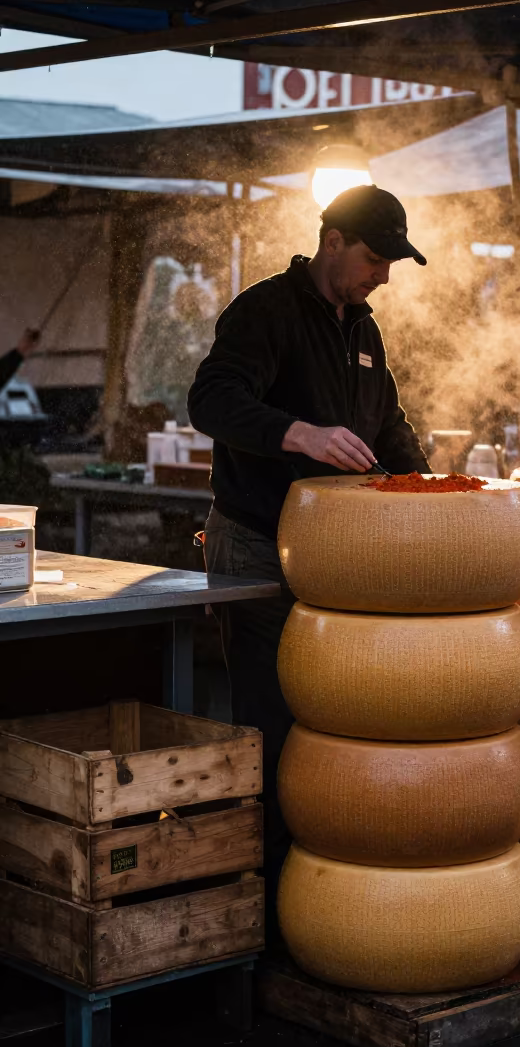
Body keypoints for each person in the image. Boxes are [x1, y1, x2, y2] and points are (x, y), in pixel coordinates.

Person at [187, 185, 429, 935]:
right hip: (257, 543)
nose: (383, 275)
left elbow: (387, 426)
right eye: (373, 258)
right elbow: (210, 401)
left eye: (391, 262)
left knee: (329, 723)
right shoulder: (266, 312)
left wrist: (437, 492)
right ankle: (261, 915)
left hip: (333, 560)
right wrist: (299, 434)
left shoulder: (363, 330)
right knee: (275, 726)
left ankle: (320, 896)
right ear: (331, 241)